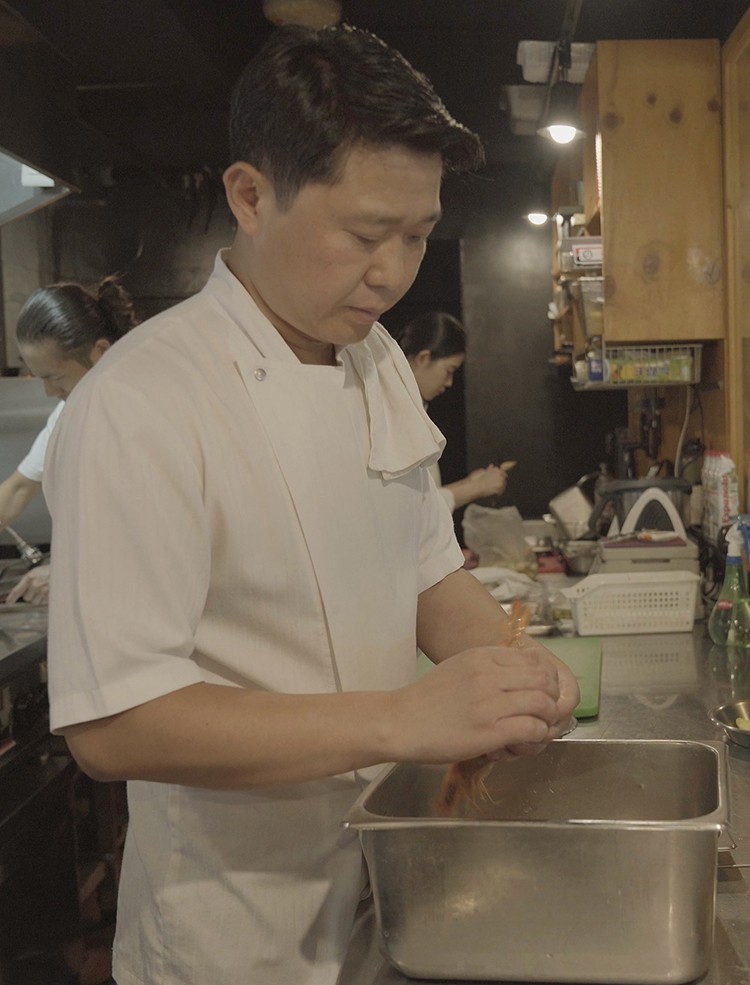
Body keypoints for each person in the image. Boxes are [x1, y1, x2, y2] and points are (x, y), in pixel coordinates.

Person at [45, 24, 579, 985]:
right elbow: (115, 724)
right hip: (236, 928)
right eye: (366, 235)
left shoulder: (377, 361)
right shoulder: (141, 399)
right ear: (251, 196)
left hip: (391, 885)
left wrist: (514, 674)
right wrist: (397, 720)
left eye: (417, 236)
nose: (393, 273)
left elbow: (425, 571)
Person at [0, 277, 137, 604]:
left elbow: (154, 534)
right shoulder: (69, 412)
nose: (49, 392)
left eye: (55, 377)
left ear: (100, 352)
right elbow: (18, 489)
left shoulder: (146, 416)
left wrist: (68, 571)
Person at [394, 310, 510, 511]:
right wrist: (478, 487)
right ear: (423, 358)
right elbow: (416, 508)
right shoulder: (397, 413)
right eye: (449, 371)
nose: (449, 383)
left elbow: (427, 493)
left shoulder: (412, 407)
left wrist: (469, 484)